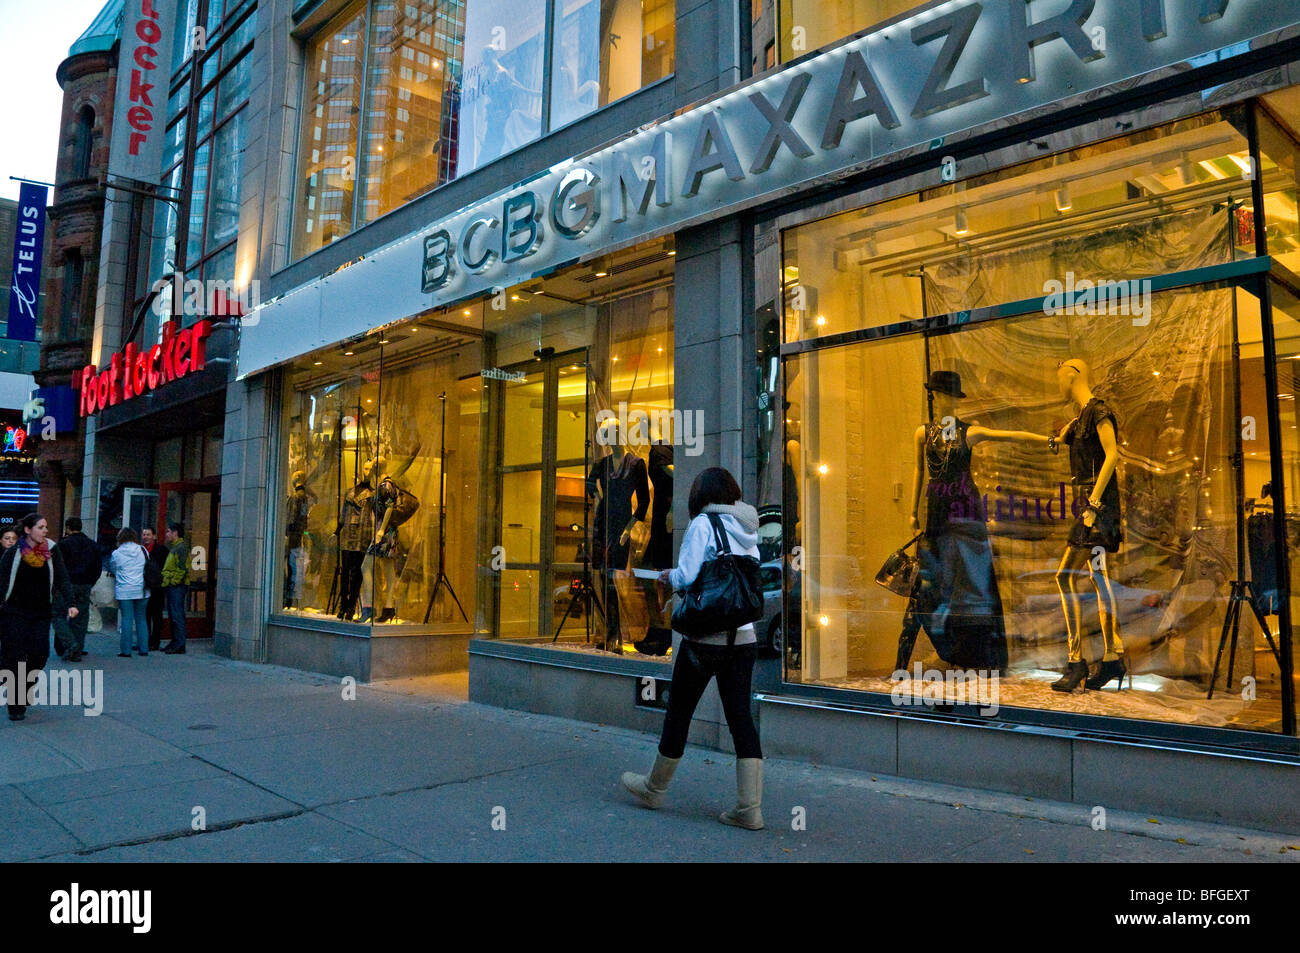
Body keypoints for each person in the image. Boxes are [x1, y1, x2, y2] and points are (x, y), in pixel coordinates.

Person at [621, 466, 766, 830]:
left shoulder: (703, 524)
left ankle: (654, 788)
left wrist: (668, 575)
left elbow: (686, 576)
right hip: (743, 638)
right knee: (741, 719)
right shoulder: (747, 527)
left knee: (679, 713)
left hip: (705, 640)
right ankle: (750, 808)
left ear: (701, 495)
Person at [0, 513, 78, 721]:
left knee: (40, 655)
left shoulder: (52, 549)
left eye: (46, 527)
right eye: (40, 527)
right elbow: (2, 581)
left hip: (42, 612)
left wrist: (71, 603)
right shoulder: (14, 552)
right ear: (28, 530)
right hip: (15, 612)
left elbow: (62, 577)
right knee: (17, 657)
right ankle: (16, 705)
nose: (45, 531)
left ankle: (25, 687)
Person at [52, 517, 100, 662]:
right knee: (80, 618)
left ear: (67, 528)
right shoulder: (92, 545)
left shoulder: (62, 545)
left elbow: (56, 567)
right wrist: (90, 582)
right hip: (84, 584)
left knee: (58, 615)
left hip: (66, 585)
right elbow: (97, 567)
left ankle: (70, 644)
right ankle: (76, 649)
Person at [109, 528, 150, 657]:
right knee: (141, 619)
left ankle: (126, 651)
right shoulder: (143, 550)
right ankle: (144, 648)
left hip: (124, 590)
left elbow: (113, 568)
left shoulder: (116, 553)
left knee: (126, 619)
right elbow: (147, 566)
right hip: (142, 589)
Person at [161, 523, 190, 654]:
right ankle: (175, 642)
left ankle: (179, 644)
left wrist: (173, 581)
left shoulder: (181, 548)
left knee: (177, 615)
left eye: (168, 531)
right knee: (173, 615)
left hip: (177, 586)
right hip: (173, 585)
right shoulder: (175, 547)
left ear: (175, 533)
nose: (167, 534)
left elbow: (183, 569)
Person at [142, 528, 168, 650]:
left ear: (154, 536)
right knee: (145, 615)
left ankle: (155, 641)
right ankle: (145, 640)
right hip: (144, 587)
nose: (145, 537)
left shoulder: (162, 550)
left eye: (148, 534)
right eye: (144, 534)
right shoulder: (140, 550)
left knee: (156, 615)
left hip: (157, 588)